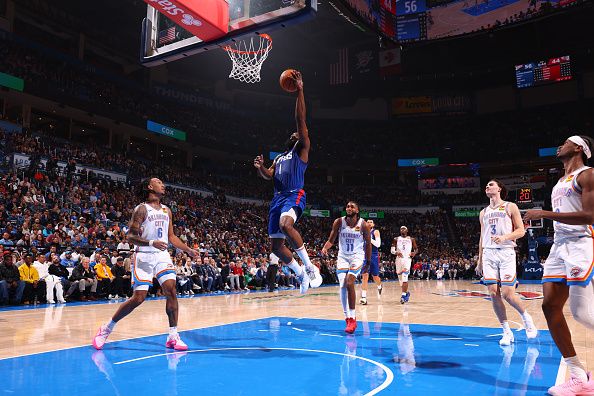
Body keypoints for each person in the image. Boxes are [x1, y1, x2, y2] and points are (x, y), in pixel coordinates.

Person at [92, 177, 198, 351]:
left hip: (162, 255)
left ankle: (173, 335)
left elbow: (171, 237)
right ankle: (106, 328)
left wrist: (188, 250)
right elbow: (131, 236)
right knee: (139, 298)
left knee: (171, 290)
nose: (162, 184)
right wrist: (151, 243)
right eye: (159, 182)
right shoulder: (141, 209)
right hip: (144, 255)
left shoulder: (167, 210)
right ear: (150, 187)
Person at [524, 135, 594, 394]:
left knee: (582, 314)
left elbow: (590, 216)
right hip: (559, 245)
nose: (559, 145)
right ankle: (577, 375)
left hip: (580, 244)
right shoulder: (560, 181)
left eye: (566, 142)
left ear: (578, 148)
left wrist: (543, 213)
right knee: (549, 306)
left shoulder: (588, 175)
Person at [253, 70, 320, 294]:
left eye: (300, 132)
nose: (298, 133)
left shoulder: (301, 149)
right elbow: (268, 176)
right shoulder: (280, 158)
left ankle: (310, 267)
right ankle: (300, 274)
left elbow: (300, 119)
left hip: (294, 193)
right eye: (296, 133)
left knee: (285, 224)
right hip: (277, 198)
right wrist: (261, 168)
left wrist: (300, 90)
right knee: (277, 247)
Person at [476, 179, 537, 346]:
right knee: (493, 293)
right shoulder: (483, 212)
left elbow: (521, 230)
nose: (487, 187)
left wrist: (504, 237)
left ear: (499, 189)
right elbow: (482, 237)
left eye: (491, 184)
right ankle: (506, 331)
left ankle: (526, 318)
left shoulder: (510, 206)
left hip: (506, 252)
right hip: (488, 253)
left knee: (507, 294)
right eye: (487, 185)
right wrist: (480, 260)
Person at [322, 201, 372, 334]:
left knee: (350, 282)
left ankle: (353, 317)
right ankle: (347, 318)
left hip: (357, 256)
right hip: (343, 257)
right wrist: (325, 248)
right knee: (342, 285)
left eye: (352, 206)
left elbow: (368, 244)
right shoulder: (339, 222)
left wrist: (368, 261)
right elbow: (331, 240)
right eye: (347, 206)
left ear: (357, 210)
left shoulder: (364, 225)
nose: (349, 208)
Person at [391, 226, 418, 304]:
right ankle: (406, 292)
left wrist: (414, 253)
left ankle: (403, 296)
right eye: (401, 229)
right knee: (400, 280)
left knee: (405, 277)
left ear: (407, 230)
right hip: (398, 260)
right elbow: (392, 250)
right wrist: (396, 252)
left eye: (404, 228)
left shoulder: (411, 239)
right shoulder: (396, 239)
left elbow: (416, 249)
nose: (402, 229)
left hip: (407, 259)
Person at [360, 219, 382, 305]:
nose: (369, 223)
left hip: (374, 255)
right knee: (365, 275)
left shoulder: (375, 231)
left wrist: (369, 237)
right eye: (367, 222)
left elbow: (378, 244)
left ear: (373, 224)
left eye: (371, 222)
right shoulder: (362, 232)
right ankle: (364, 297)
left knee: (375, 276)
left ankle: (379, 286)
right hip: (365, 255)